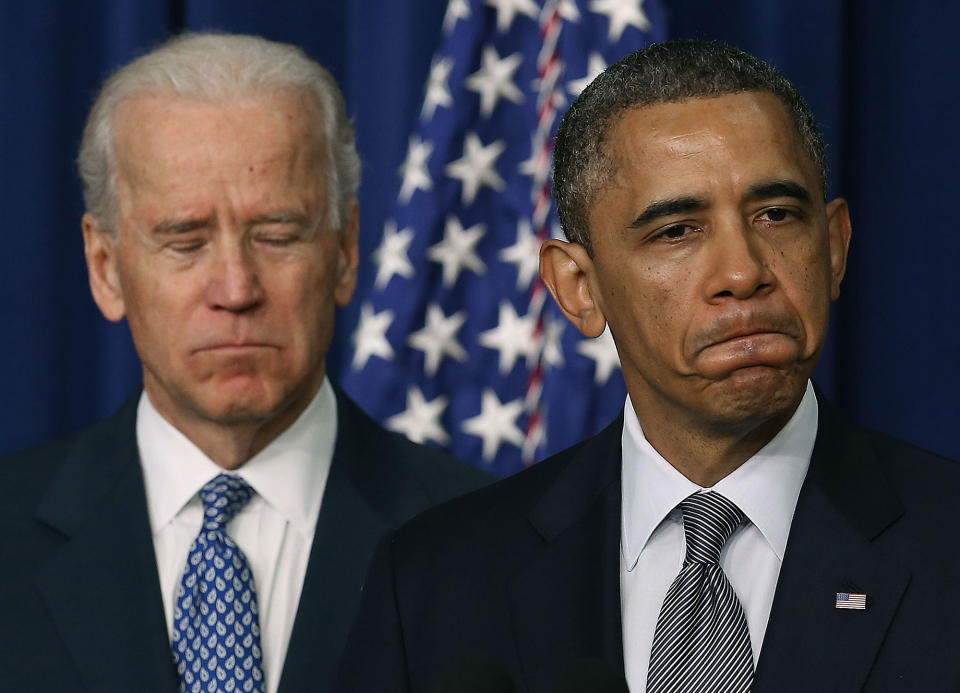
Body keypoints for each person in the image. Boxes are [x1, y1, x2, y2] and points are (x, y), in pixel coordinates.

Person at [337, 40, 960, 692]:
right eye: (676, 231)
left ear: (833, 247)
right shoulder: (433, 584)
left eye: (776, 214)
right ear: (579, 287)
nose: (743, 272)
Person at [0, 32, 490, 693]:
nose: (236, 289)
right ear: (105, 267)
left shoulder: (488, 544)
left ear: (345, 250)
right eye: (185, 241)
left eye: (277, 235)